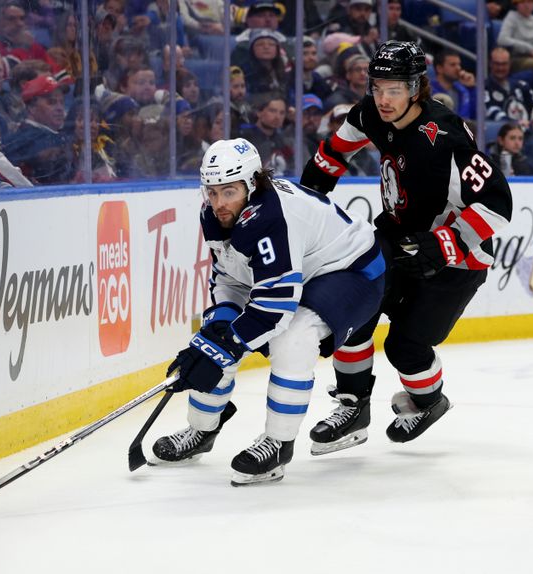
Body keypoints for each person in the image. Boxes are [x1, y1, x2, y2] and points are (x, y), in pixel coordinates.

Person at [300, 41, 512, 452]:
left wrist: (444, 243)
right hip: (396, 235)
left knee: (406, 346)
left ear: (417, 88)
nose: (383, 99)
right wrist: (306, 204)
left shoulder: (446, 137)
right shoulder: (368, 113)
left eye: (394, 89)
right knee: (353, 309)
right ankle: (353, 405)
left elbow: (497, 204)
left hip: (457, 259)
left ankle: (429, 402)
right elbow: (331, 157)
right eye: (377, 86)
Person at [150, 137, 385, 485]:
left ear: (252, 183)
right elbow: (229, 276)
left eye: (228, 192)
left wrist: (227, 345)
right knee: (212, 338)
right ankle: (200, 431)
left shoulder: (271, 217)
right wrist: (218, 330)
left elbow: (276, 308)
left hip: (353, 271)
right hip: (307, 270)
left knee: (293, 339)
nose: (218, 203)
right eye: (211, 192)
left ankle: (277, 444)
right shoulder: (215, 214)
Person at [485, 47, 533, 124]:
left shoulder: (522, 86)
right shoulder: (484, 87)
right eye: (497, 64)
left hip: (528, 131)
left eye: (504, 64)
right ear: (490, 64)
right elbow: (491, 111)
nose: (500, 68)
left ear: (510, 64)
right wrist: (516, 124)